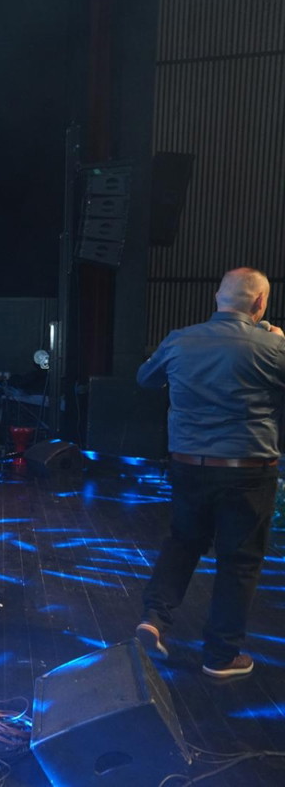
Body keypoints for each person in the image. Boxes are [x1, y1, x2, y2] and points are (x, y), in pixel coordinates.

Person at [134, 267, 285, 679]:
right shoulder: (272, 347)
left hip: (189, 466)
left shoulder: (179, 340)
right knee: (239, 561)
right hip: (249, 471)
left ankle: (154, 619)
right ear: (260, 303)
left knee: (183, 542)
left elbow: (145, 379)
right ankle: (220, 655)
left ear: (218, 297)